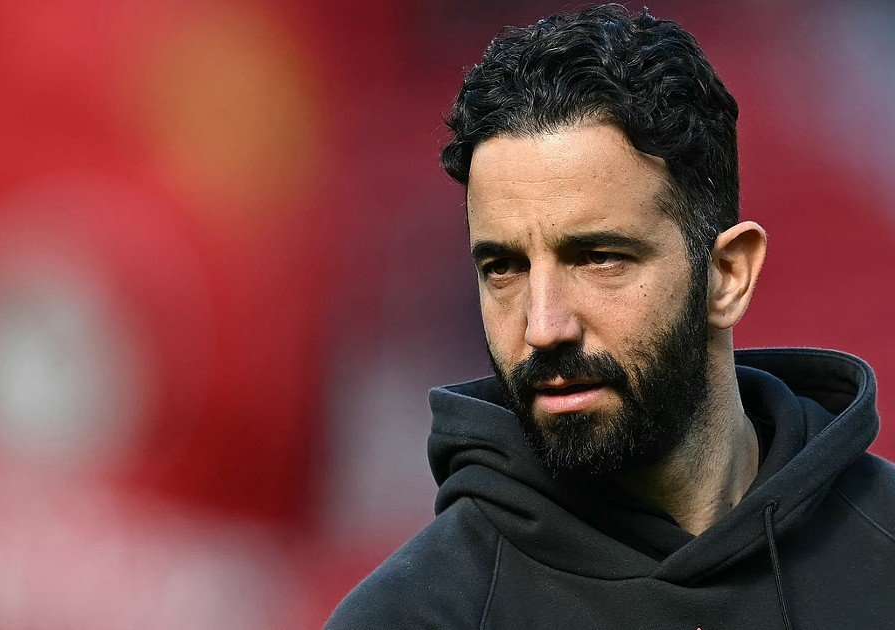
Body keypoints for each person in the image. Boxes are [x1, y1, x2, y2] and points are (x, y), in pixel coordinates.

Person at [325, 5, 895, 629]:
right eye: (503, 268)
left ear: (727, 275)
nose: (544, 328)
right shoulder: (412, 617)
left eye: (599, 258)